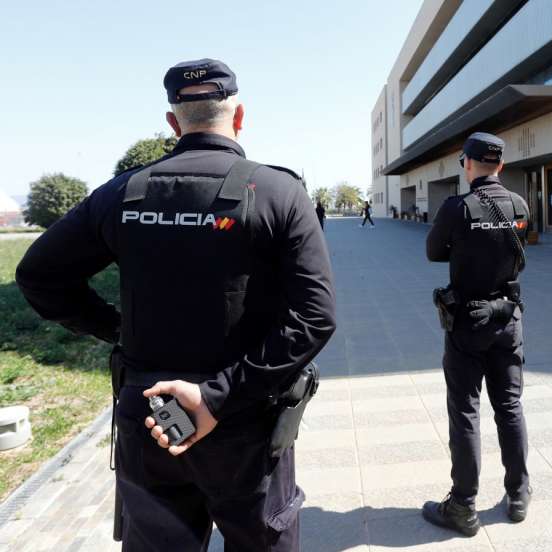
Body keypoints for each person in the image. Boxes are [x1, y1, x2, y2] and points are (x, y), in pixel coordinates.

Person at [15, 58, 336, 552]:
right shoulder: (278, 192)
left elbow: (38, 275)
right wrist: (216, 398)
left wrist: (114, 328)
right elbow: (314, 316)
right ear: (240, 115)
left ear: (172, 121)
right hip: (245, 418)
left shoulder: (123, 193)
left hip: (154, 412)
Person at [423, 132, 531, 536]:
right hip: (509, 318)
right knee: (510, 406)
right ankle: (518, 494)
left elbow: (434, 252)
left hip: (468, 322)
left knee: (465, 410)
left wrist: (465, 246)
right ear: (500, 165)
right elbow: (520, 247)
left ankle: (463, 505)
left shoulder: (458, 208)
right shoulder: (519, 204)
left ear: (466, 163)